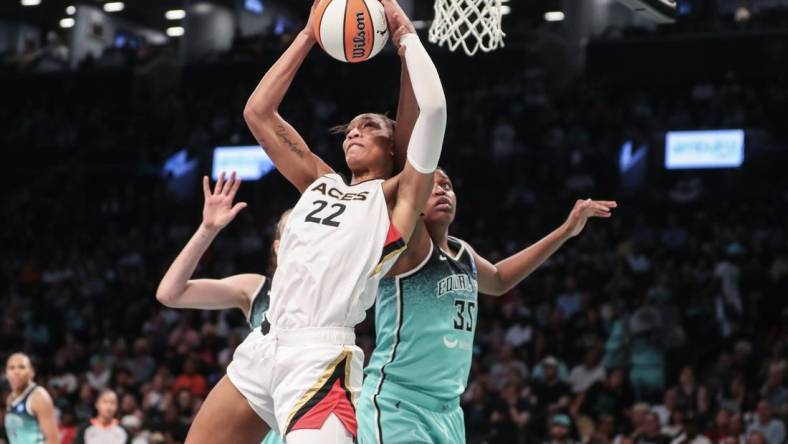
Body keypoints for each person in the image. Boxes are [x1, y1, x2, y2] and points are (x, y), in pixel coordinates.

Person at [184, 0, 447, 441]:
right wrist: (309, 34)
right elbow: (258, 113)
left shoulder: (399, 203)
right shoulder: (321, 181)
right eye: (351, 129)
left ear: (394, 149)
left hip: (320, 360)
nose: (354, 132)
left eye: (369, 127)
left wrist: (406, 36)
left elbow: (433, 111)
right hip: (264, 346)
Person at [358, 167, 616, 443]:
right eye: (429, 185)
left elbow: (500, 279)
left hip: (448, 411)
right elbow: (411, 171)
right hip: (399, 405)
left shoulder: (463, 253)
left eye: (446, 185)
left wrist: (566, 231)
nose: (441, 190)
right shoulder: (410, 246)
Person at [156, 173, 288, 444]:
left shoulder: (333, 288)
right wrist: (208, 229)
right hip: (260, 420)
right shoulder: (257, 288)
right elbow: (170, 293)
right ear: (277, 247)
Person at [4, 353, 59, 444]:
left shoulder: (39, 397)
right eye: (11, 368)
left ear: (32, 372)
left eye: (21, 367)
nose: (16, 372)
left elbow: (54, 440)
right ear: (6, 373)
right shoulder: (10, 398)